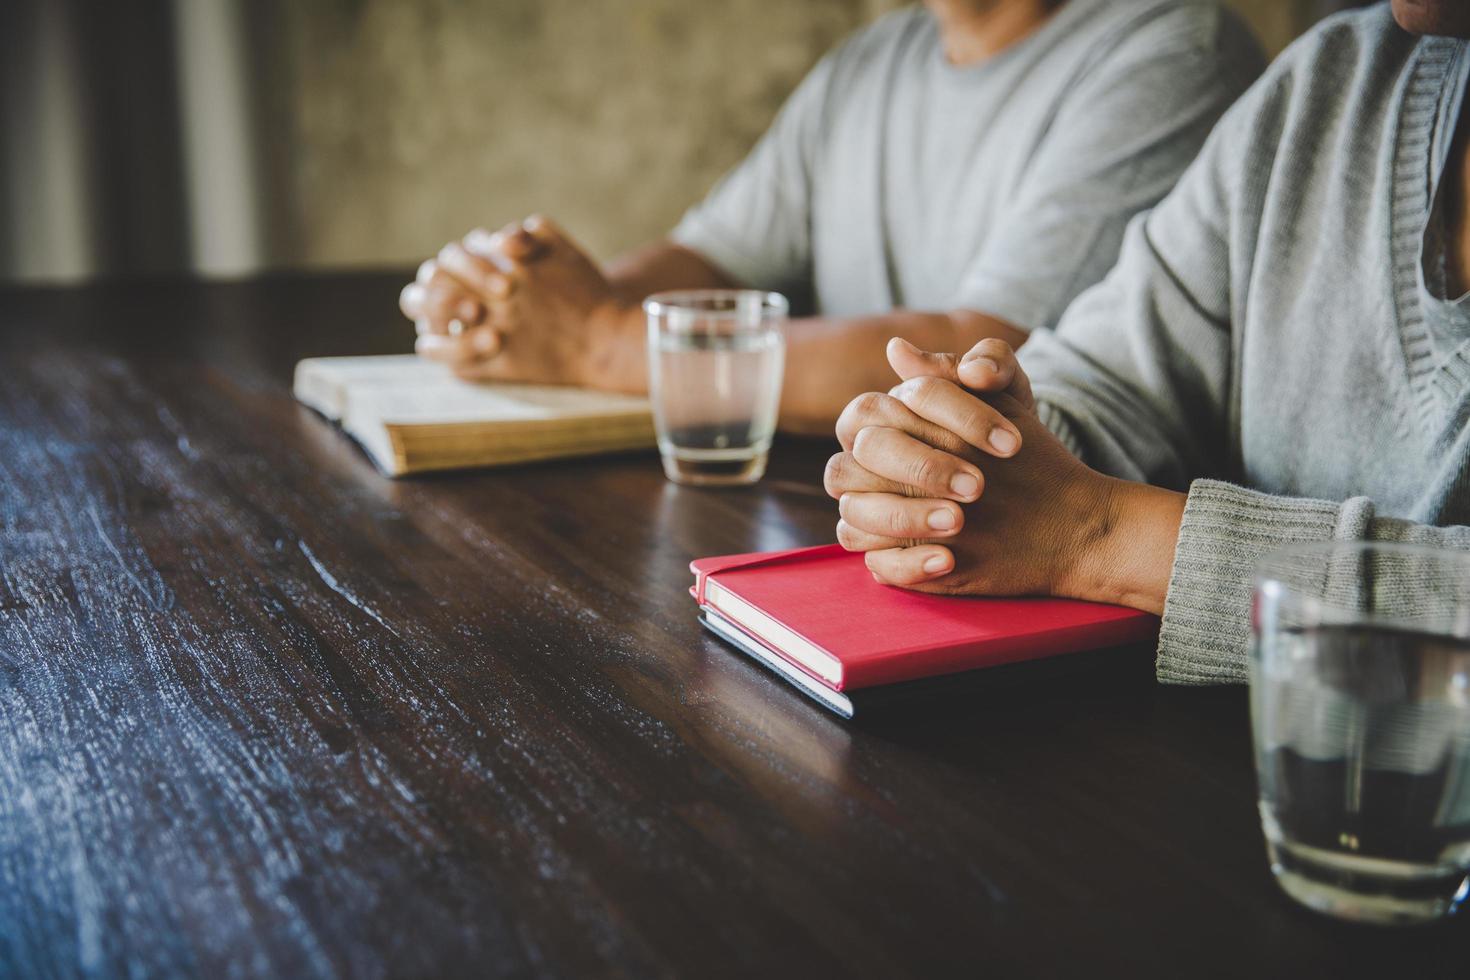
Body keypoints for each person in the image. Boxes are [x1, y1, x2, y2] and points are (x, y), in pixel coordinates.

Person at [823, 0, 1470, 685]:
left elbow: (978, 337)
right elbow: (1114, 369)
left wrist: (1097, 534)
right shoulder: (1335, 80)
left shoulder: (1172, 46)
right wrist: (970, 444)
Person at [399, 0, 1263, 432]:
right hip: (844, 520)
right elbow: (711, 256)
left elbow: (984, 358)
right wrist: (524, 302)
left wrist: (595, 342)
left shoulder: (1169, 52)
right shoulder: (873, 60)